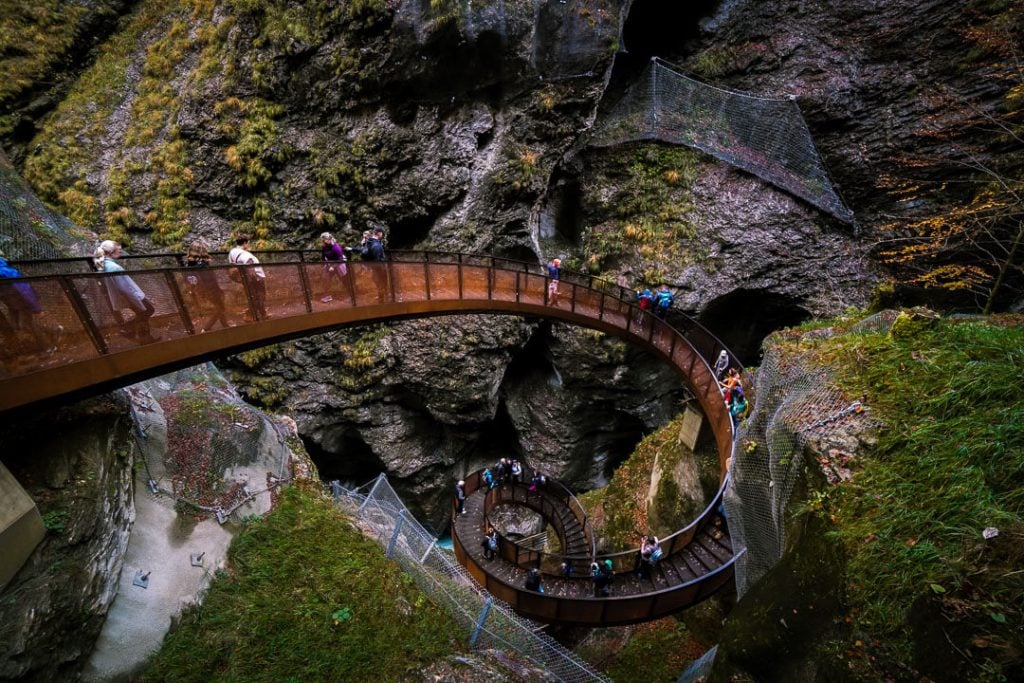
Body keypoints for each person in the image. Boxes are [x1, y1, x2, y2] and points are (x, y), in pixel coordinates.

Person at [95, 240, 160, 344]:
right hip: (131, 296)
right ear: (111, 253)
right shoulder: (114, 267)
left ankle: (146, 339)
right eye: (118, 251)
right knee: (148, 310)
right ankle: (127, 327)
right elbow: (125, 288)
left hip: (123, 296)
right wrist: (137, 299)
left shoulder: (102, 264)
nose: (120, 253)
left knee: (142, 316)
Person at [0, 254, 56, 353]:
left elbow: (25, 290)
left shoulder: (7, 273)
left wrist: (36, 308)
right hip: (13, 304)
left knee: (26, 325)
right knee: (16, 326)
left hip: (23, 303)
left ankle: (47, 347)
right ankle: (54, 331)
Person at [186, 239, 230, 332]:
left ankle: (225, 325)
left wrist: (193, 290)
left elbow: (191, 279)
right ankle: (206, 328)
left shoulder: (190, 264)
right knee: (220, 307)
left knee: (220, 306)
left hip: (202, 289)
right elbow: (210, 278)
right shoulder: (203, 264)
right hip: (210, 288)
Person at [228, 235, 268, 320]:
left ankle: (263, 314)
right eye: (248, 243)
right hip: (255, 277)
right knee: (260, 296)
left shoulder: (232, 252)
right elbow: (251, 269)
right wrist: (256, 279)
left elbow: (232, 265)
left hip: (244, 278)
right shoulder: (246, 255)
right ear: (245, 243)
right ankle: (249, 315)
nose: (248, 245)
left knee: (253, 296)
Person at [318, 231, 347, 303]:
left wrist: (334, 266)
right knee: (326, 279)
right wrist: (324, 264)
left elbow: (340, 259)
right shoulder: (324, 247)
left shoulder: (336, 247)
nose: (322, 241)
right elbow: (323, 256)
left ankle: (351, 295)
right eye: (322, 240)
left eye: (323, 240)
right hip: (330, 264)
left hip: (340, 263)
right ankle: (327, 296)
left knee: (344, 279)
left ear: (328, 239)